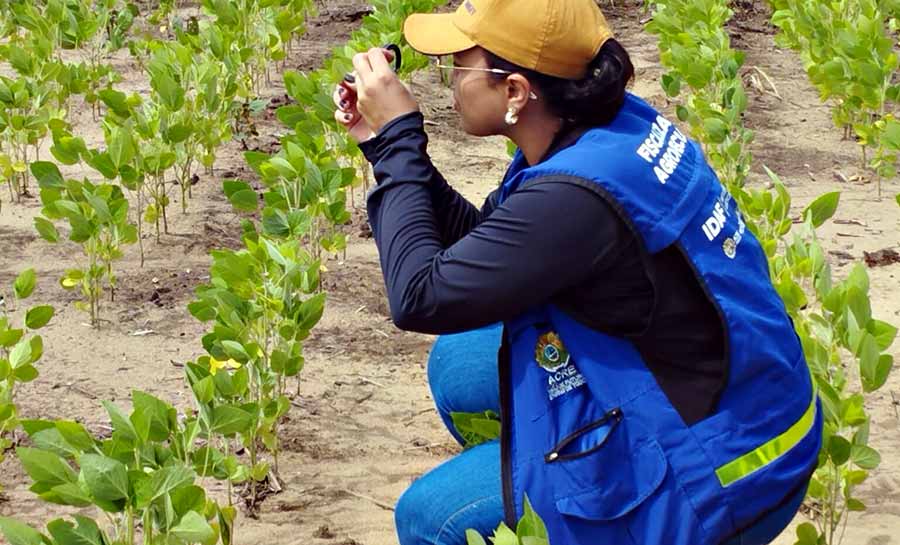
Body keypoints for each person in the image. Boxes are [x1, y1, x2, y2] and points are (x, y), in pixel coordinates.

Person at [331, 1, 822, 544]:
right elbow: (490, 252)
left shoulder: (574, 198)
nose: (449, 79)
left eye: (460, 65)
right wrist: (384, 145)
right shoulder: (603, 129)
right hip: (736, 397)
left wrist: (401, 137)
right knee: (462, 365)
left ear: (516, 91)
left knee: (432, 519)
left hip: (728, 472)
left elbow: (419, 296)